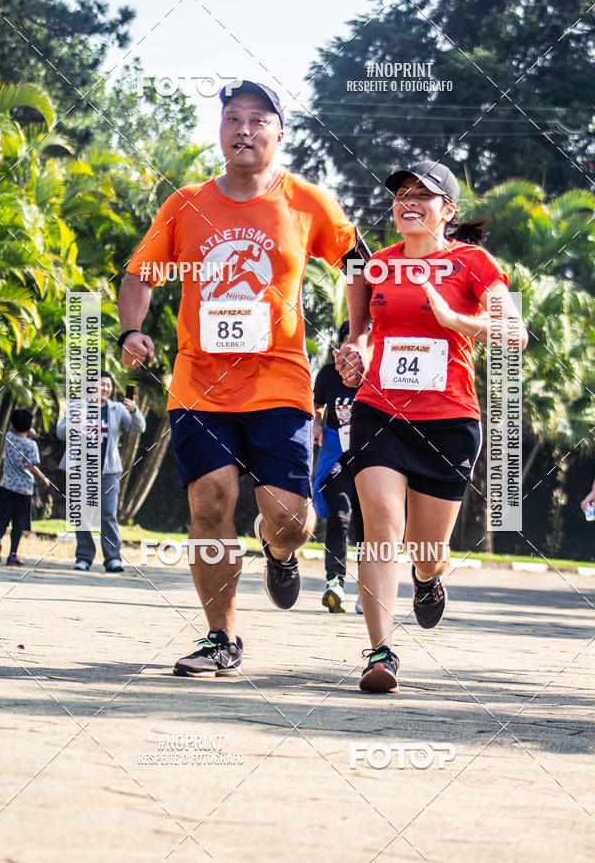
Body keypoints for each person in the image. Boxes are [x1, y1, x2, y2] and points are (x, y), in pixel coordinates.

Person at [117, 80, 369, 677]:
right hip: (199, 382)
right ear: (222, 130)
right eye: (233, 118)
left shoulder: (307, 202)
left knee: (288, 517)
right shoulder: (186, 204)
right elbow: (139, 275)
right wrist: (132, 331)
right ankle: (219, 637)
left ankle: (278, 552)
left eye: (259, 120)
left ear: (280, 134)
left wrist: (356, 333)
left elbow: (358, 262)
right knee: (209, 504)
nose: (245, 129)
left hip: (279, 382)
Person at [337, 160, 528, 693]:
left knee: (428, 549)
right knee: (380, 527)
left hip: (449, 420)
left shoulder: (474, 262)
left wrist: (456, 321)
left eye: (424, 194)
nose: (409, 201)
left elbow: (515, 335)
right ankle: (380, 652)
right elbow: (362, 335)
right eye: (401, 193)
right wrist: (354, 353)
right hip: (380, 412)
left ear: (448, 210)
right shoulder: (375, 268)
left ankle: (427, 578)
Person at [57, 371, 145, 572]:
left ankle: (113, 558)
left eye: (108, 385)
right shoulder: (77, 407)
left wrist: (134, 411)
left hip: (108, 472)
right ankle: (84, 558)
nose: (105, 389)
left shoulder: (117, 409)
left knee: (108, 514)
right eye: (101, 384)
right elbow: (61, 434)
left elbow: (138, 428)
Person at [312, 320, 363, 613]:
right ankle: (335, 582)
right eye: (347, 340)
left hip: (371, 456)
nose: (353, 347)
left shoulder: (377, 373)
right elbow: (315, 404)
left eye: (360, 340)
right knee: (340, 517)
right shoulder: (328, 375)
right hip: (337, 455)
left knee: (368, 525)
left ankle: (368, 591)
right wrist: (317, 425)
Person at [0, 408, 50, 566]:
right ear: (30, 425)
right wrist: (43, 479)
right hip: (24, 490)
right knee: (18, 522)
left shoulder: (9, 437)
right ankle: (13, 555)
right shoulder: (31, 445)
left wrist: (25, 429)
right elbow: (32, 467)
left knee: (2, 518)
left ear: (11, 424)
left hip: (7, 486)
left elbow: (20, 430)